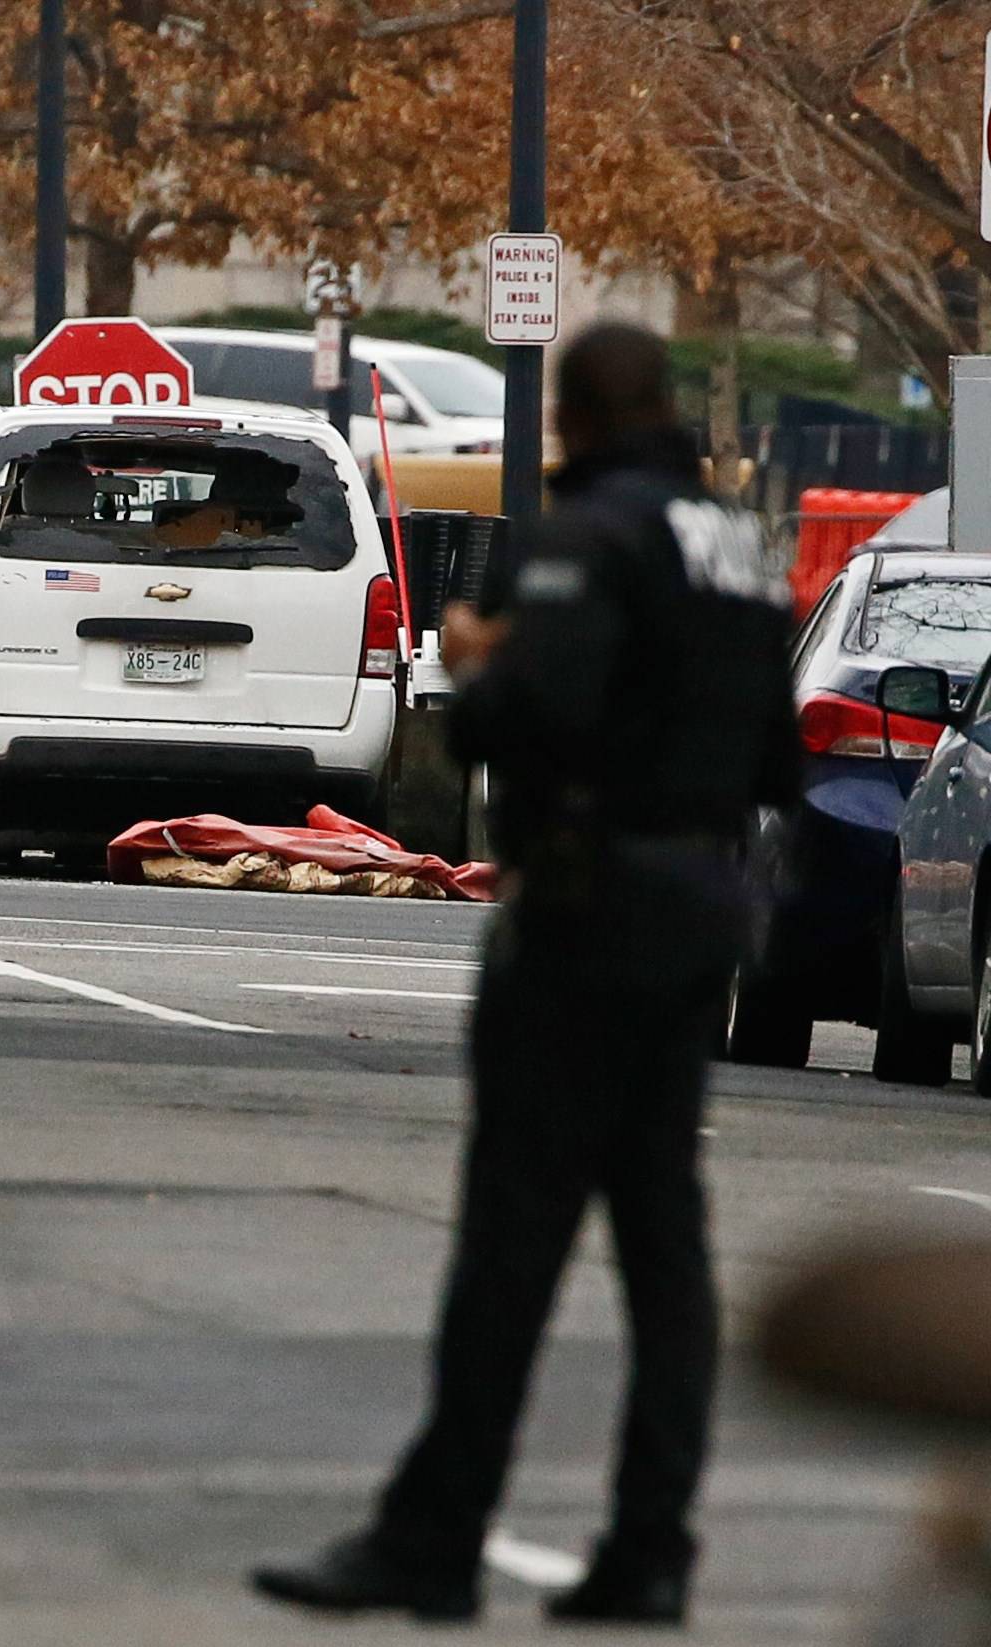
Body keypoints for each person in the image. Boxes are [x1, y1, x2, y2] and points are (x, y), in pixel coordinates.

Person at [251, 322, 800, 1626]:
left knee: (512, 1239)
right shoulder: (739, 549)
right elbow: (775, 752)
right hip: (701, 907)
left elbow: (521, 715)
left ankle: (436, 1538)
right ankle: (652, 1541)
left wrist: (477, 652)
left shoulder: (581, 539)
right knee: (668, 1245)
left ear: (572, 418)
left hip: (583, 905)